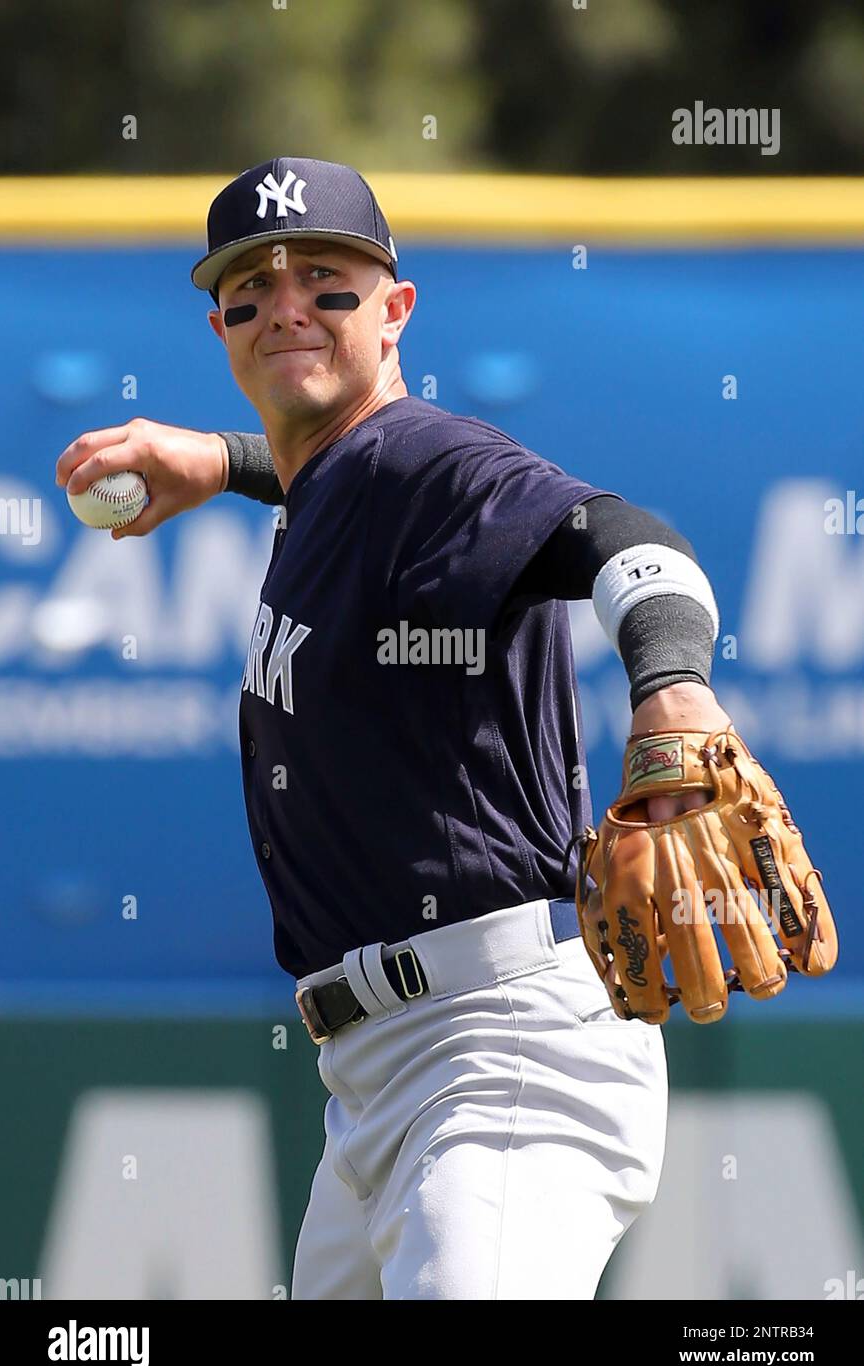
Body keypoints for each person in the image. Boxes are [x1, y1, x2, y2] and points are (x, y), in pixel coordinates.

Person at [57, 157, 729, 1300]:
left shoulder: (424, 457)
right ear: (216, 322)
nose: (285, 307)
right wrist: (224, 461)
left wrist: (671, 688)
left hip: (500, 1055)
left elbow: (627, 540)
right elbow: (333, 471)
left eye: (325, 282)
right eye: (249, 290)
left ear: (394, 309)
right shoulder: (344, 478)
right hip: (376, 1078)